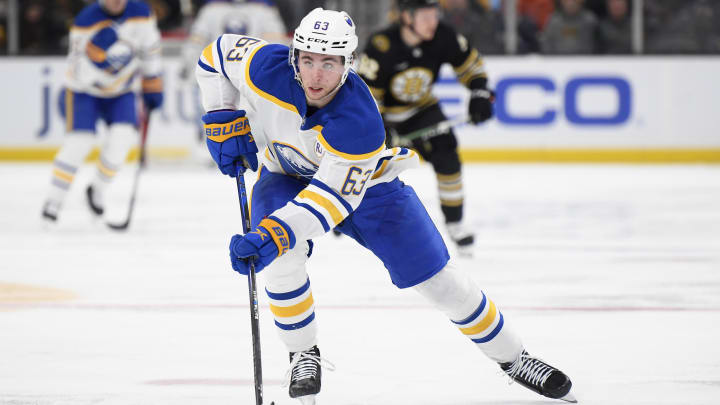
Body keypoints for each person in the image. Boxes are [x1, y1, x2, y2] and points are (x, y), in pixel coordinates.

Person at [196, 7, 576, 405]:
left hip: (366, 189)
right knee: (281, 258)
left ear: (348, 64)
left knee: (440, 281)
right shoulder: (265, 67)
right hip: (285, 176)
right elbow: (214, 56)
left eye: (329, 63)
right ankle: (302, 353)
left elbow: (329, 201)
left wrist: (273, 234)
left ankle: (515, 359)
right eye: (307, 60)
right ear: (294, 57)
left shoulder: (359, 120)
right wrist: (221, 115)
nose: (315, 75)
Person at [356, 0, 493, 256]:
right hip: (382, 116)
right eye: (426, 16)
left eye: (435, 15)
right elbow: (364, 96)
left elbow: (470, 64)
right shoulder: (381, 46)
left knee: (448, 155)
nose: (433, 22)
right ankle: (347, 210)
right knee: (368, 168)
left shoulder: (443, 35)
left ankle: (455, 223)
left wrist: (480, 91)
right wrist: (381, 128)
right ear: (407, 17)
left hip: (423, 110)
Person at [41, 0, 163, 223]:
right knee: (80, 142)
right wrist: (93, 56)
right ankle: (54, 200)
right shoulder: (85, 21)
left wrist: (152, 81)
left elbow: (150, 49)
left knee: (122, 141)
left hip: (121, 90)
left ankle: (96, 190)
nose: (115, 1)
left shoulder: (142, 13)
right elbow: (76, 68)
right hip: (83, 91)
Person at [179, 0, 287, 164]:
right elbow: (195, 45)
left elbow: (278, 47)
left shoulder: (263, 11)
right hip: (241, 80)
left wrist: (189, 67)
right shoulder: (214, 10)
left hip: (244, 81)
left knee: (254, 133)